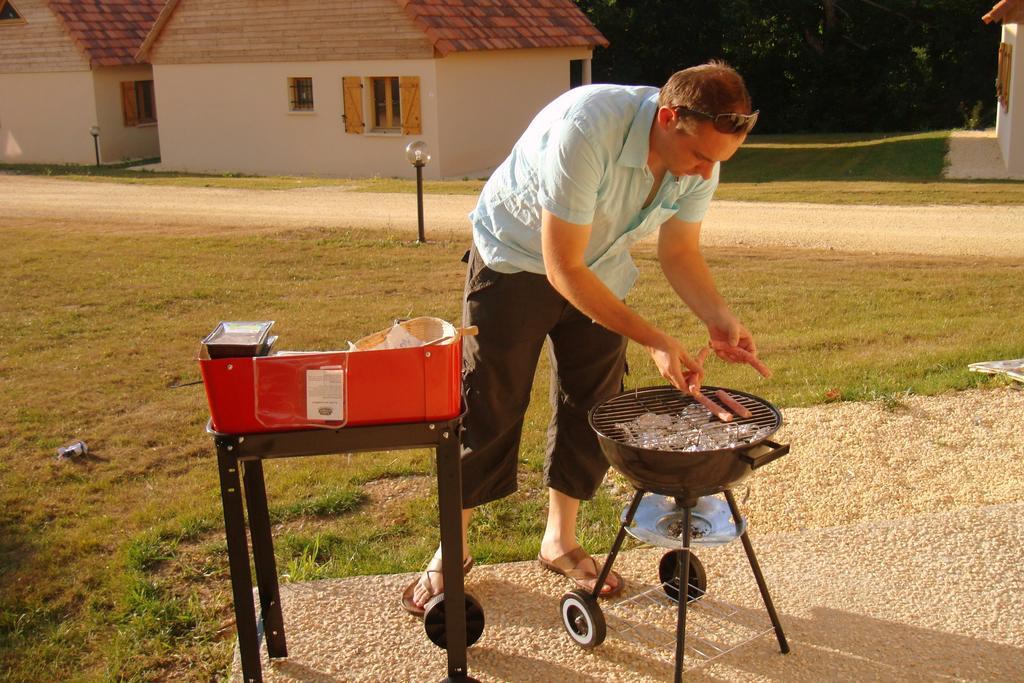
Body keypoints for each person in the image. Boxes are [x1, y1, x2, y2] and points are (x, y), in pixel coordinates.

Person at [402, 61, 768, 616]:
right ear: (669, 118)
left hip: (601, 267)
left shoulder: (700, 155)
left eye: (716, 163)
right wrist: (654, 339)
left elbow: (680, 251)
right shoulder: (588, 127)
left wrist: (718, 317)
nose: (703, 173)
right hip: (516, 261)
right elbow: (562, 267)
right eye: (699, 157)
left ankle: (559, 541)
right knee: (490, 404)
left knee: (590, 404)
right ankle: (449, 552)